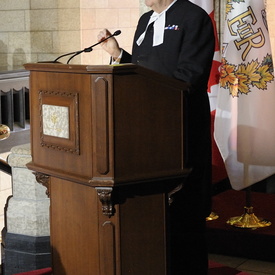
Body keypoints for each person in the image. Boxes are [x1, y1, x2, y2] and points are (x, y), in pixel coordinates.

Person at [98, 0, 215, 274]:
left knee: (184, 207)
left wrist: (149, 101)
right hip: (149, 130)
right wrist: (118, 55)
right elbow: (143, 72)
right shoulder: (145, 20)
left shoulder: (193, 16)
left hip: (180, 126)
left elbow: (189, 76)